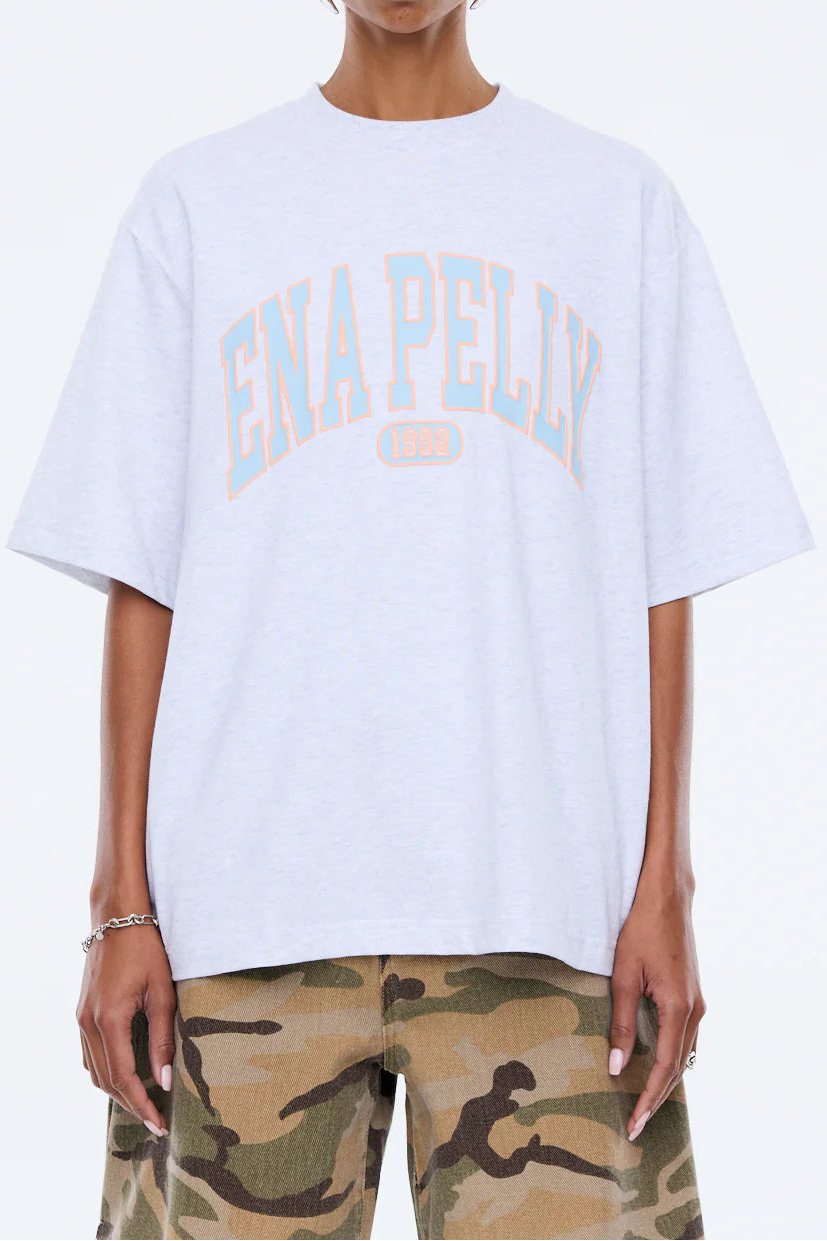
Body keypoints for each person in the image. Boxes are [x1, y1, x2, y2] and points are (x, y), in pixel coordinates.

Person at [7, 1, 814, 1238]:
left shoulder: (613, 205)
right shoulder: (199, 202)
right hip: (243, 913)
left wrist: (667, 881)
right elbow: (142, 576)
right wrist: (121, 904)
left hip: (545, 909)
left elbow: (665, 567)